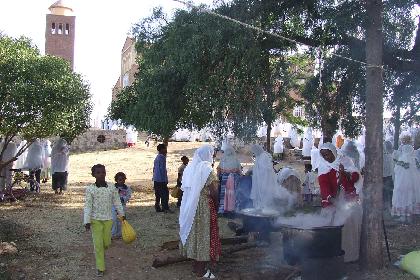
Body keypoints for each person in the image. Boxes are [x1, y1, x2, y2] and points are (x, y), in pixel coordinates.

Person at [179, 145, 220, 278]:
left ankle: (195, 266)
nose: (213, 157)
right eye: (212, 155)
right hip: (204, 207)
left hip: (191, 206)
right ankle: (201, 271)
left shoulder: (190, 168)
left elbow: (184, 188)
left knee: (195, 234)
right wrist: (217, 206)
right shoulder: (208, 170)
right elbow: (214, 192)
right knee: (203, 236)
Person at [318, 143, 362, 263]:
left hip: (348, 199)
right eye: (323, 155)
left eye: (328, 154)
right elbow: (324, 187)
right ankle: (332, 255)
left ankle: (350, 255)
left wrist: (345, 174)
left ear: (334, 152)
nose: (326, 157)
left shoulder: (345, 161)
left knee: (348, 225)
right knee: (332, 225)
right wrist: (334, 201)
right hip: (333, 200)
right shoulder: (323, 168)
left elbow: (355, 177)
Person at [83, 164, 125, 277]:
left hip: (108, 219)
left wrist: (122, 214)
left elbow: (117, 202)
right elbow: (88, 206)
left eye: (103, 172)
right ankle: (100, 268)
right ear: (93, 175)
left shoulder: (112, 187)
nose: (101, 174)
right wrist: (86, 221)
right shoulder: (90, 189)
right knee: (98, 245)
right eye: (98, 173)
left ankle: (105, 245)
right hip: (95, 220)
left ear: (105, 173)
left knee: (106, 242)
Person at [392, 134, 419, 222]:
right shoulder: (414, 157)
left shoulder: (402, 156)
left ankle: (404, 215)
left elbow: (396, 169)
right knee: (411, 193)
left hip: (403, 178)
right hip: (413, 178)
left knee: (402, 193)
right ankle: (410, 213)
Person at [216, 143, 241, 214]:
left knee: (224, 194)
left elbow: (219, 170)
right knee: (233, 194)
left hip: (224, 180)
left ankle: (223, 209)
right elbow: (239, 171)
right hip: (234, 179)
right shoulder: (236, 160)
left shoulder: (223, 160)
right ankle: (233, 209)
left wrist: (218, 178)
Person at [112, 172, 132, 239]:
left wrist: (123, 199)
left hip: (122, 206)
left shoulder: (127, 188)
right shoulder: (112, 188)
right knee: (114, 219)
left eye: (123, 180)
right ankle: (113, 233)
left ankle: (120, 233)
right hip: (113, 206)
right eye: (120, 180)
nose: (121, 181)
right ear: (116, 180)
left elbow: (128, 196)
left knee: (122, 219)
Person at [153, 144, 172, 213]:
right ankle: (165, 208)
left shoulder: (157, 157)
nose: (166, 150)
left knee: (158, 194)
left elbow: (154, 168)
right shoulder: (162, 157)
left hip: (156, 179)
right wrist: (165, 180)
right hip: (161, 179)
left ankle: (157, 207)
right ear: (161, 149)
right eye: (165, 149)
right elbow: (162, 170)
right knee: (165, 194)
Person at [383, 140, 394, 213]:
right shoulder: (390, 155)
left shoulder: (383, 156)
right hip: (389, 177)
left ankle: (387, 208)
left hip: (384, 177)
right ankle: (389, 207)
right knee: (389, 193)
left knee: (385, 193)